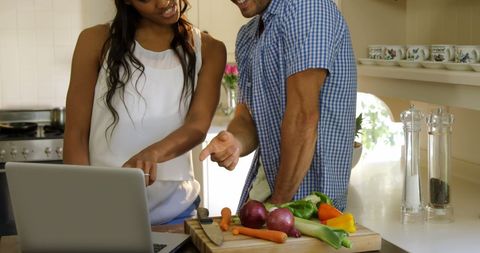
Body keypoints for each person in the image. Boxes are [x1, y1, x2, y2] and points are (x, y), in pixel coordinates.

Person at [63, 0, 226, 225]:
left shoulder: (210, 49)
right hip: (104, 211)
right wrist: (86, 202)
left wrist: (152, 154)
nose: (163, 2)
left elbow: (198, 126)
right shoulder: (94, 40)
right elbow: (76, 134)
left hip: (176, 211)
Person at [200, 0, 357, 211]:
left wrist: (277, 206)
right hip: (269, 194)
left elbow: (303, 118)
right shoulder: (248, 36)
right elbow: (247, 117)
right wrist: (235, 141)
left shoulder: (308, 8)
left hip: (310, 206)